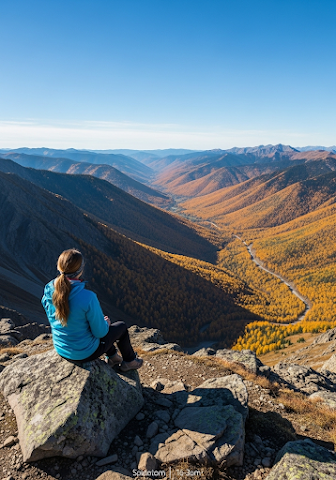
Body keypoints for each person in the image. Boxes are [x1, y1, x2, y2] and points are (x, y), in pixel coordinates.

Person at [41, 248, 143, 372]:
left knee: (85, 324)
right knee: (120, 327)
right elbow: (100, 333)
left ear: (59, 267)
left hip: (61, 348)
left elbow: (50, 312)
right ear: (80, 270)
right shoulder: (87, 297)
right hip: (84, 353)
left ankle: (113, 357)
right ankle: (130, 362)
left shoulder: (49, 289)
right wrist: (106, 324)